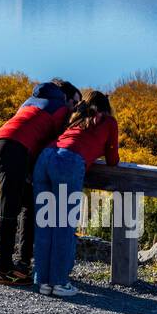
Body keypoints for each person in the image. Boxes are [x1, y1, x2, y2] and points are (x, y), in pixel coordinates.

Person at [0, 78, 81, 286]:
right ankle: (4, 270)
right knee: (9, 210)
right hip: (14, 150)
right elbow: (63, 143)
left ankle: (22, 264)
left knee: (29, 202)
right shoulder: (62, 109)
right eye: (75, 102)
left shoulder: (31, 102)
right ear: (66, 98)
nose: (76, 108)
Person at [32, 89, 119, 297]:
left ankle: (43, 281)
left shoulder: (75, 119)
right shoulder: (108, 122)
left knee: (45, 222)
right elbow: (112, 160)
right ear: (106, 106)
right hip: (68, 163)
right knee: (63, 225)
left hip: (45, 158)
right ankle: (60, 283)